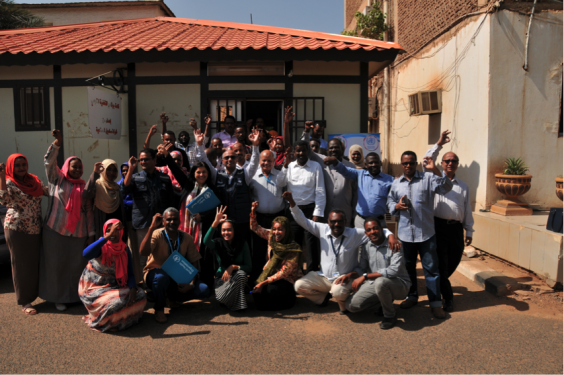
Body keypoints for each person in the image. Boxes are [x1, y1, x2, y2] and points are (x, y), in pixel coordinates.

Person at [284, 192, 400, 314]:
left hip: (344, 278)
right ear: (328, 222)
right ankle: (322, 299)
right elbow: (302, 220)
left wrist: (391, 236)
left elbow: (382, 230)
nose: (336, 224)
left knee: (338, 292)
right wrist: (292, 202)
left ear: (345, 221)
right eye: (333, 221)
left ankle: (345, 303)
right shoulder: (322, 229)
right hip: (324, 277)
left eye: (340, 221)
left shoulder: (354, 234)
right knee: (299, 286)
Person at [387, 151, 453, 319]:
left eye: (411, 163)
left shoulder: (428, 179)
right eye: (404, 163)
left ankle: (436, 304)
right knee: (408, 269)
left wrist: (435, 169)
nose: (408, 166)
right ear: (401, 164)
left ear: (416, 163)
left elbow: (447, 186)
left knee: (431, 270)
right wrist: (396, 207)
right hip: (405, 235)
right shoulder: (396, 183)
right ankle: (412, 296)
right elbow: (389, 202)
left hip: (426, 234)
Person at [39, 130, 94, 312]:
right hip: (55, 230)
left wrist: (90, 234)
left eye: (79, 167)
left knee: (76, 266)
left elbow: (88, 211)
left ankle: (74, 297)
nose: (77, 169)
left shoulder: (83, 186)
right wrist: (57, 143)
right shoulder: (57, 179)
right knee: (56, 265)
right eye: (74, 166)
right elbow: (49, 161)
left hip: (78, 233)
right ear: (67, 167)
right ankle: (58, 298)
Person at [424, 130, 475, 312]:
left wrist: (469, 230)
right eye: (447, 161)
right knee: (443, 264)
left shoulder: (463, 185)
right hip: (438, 227)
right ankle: (448, 298)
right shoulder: (433, 179)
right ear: (442, 164)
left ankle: (439, 282)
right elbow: (426, 159)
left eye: (454, 161)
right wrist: (439, 144)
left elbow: (466, 208)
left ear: (457, 165)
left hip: (456, 229)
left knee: (453, 261)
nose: (450, 163)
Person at [141, 209, 210, 323]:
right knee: (161, 278)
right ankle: (159, 309)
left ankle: (172, 298)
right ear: (163, 221)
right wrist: (151, 227)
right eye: (168, 219)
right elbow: (143, 252)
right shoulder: (156, 234)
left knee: (203, 290)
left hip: (177, 277)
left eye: (175, 219)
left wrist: (192, 284)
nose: (172, 222)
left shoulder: (186, 237)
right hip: (156, 274)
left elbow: (195, 262)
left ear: (180, 221)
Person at [79, 219, 147, 332]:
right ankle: (107, 322)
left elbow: (130, 273)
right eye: (109, 231)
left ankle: (120, 320)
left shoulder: (124, 249)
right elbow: (85, 254)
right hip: (94, 288)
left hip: (115, 286)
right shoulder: (101, 246)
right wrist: (106, 237)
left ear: (121, 232)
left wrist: (132, 288)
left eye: (116, 231)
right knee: (115, 304)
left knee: (140, 296)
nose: (113, 234)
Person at [0, 154, 47, 315]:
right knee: (20, 265)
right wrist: (1, 177)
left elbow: (47, 191)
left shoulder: (33, 180)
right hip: (17, 229)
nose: (21, 167)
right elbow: (4, 200)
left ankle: (35, 295)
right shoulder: (8, 182)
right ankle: (25, 302)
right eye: (17, 165)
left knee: (33, 264)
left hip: (35, 228)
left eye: (23, 164)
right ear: (10, 167)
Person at [195, 128, 261, 239]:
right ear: (222, 160)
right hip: (223, 220)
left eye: (232, 157)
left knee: (243, 248)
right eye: (227, 157)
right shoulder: (216, 174)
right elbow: (204, 160)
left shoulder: (245, 173)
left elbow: (254, 161)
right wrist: (199, 144)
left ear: (236, 159)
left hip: (242, 220)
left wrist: (255, 145)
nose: (230, 159)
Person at [345, 218, 411, 330]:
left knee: (381, 282)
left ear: (381, 229)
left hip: (400, 284)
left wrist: (365, 276)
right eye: (369, 230)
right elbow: (362, 267)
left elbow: (393, 271)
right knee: (351, 306)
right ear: (366, 233)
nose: (373, 232)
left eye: (375, 228)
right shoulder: (366, 247)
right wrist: (351, 274)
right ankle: (384, 302)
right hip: (375, 284)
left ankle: (390, 315)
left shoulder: (394, 244)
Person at [121, 148, 175, 276]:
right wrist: (131, 168)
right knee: (143, 255)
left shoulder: (164, 178)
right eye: (141, 160)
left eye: (147, 159)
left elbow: (171, 201)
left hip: (163, 224)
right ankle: (144, 285)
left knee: (164, 253)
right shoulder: (135, 177)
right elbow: (125, 189)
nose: (143, 162)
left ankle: (163, 283)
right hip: (143, 223)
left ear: (154, 160)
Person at [276, 140, 325, 273]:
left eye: (303, 150)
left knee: (311, 245)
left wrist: (317, 213)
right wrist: (285, 165)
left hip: (310, 211)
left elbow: (320, 190)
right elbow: (280, 183)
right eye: (298, 150)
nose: (301, 153)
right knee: (294, 245)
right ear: (295, 152)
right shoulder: (290, 166)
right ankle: (293, 274)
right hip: (292, 211)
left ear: (308, 151)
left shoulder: (315, 166)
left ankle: (311, 275)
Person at [298, 118, 357, 227]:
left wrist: (354, 215)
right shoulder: (321, 160)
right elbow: (308, 150)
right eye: (331, 148)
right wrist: (306, 131)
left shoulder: (350, 166)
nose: (334, 150)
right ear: (327, 150)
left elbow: (355, 193)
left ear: (342, 149)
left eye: (336, 147)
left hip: (345, 215)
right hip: (325, 215)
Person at [250, 202, 303, 311]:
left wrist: (264, 282)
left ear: (286, 230)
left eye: (280, 229)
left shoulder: (293, 247)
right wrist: (253, 211)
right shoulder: (271, 236)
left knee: (270, 289)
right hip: (271, 273)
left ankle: (288, 301)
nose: (276, 232)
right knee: (255, 286)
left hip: (286, 279)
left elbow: (285, 272)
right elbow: (255, 228)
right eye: (274, 229)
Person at [248, 150, 287, 281]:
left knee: (277, 250)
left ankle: (276, 278)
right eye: (263, 160)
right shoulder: (253, 176)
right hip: (260, 219)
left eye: (269, 160)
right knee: (258, 250)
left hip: (277, 218)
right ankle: (257, 278)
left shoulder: (280, 176)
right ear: (259, 161)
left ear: (274, 161)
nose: (266, 163)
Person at [204, 206, 252, 311]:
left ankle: (237, 306)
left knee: (241, 274)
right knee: (221, 297)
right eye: (223, 230)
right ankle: (234, 302)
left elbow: (249, 267)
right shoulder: (218, 243)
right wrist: (215, 222)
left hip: (237, 280)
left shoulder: (242, 244)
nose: (226, 233)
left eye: (229, 230)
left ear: (234, 230)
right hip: (222, 281)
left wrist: (233, 267)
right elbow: (206, 241)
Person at [330, 151, 393, 229]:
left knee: (380, 241)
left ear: (380, 163)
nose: (373, 165)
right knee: (360, 241)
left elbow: (394, 196)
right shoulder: (360, 174)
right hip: (361, 221)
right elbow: (345, 170)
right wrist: (335, 162)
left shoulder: (390, 179)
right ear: (366, 165)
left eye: (376, 162)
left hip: (379, 222)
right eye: (371, 163)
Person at [84, 159, 127, 242]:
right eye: (108, 169)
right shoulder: (97, 185)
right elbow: (86, 194)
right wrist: (95, 173)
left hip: (117, 228)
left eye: (114, 170)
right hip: (101, 226)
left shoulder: (116, 187)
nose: (112, 172)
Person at [119, 161, 141, 283]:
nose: (125, 172)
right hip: (122, 221)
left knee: (135, 250)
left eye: (127, 170)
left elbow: (139, 200)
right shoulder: (118, 184)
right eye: (123, 170)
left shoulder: (136, 183)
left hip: (134, 220)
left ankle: (137, 279)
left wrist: (127, 203)